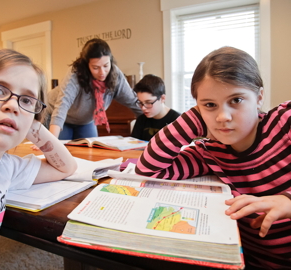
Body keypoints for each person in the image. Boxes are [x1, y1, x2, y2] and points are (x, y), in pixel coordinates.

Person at [135, 46, 291, 269]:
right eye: (210, 105)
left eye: (236, 100)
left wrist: (288, 200)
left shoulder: (285, 123)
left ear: (259, 98)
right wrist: (194, 119)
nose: (222, 117)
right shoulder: (208, 152)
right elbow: (148, 170)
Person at [0, 48, 77, 269]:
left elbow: (66, 167)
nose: (12, 105)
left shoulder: (6, 168)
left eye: (26, 100)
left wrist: (31, 123)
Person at [47, 38, 142, 140]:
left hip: (86, 121)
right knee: (59, 151)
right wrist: (51, 141)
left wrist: (155, 123)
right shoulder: (75, 74)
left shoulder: (115, 75)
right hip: (60, 117)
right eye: (96, 68)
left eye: (106, 65)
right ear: (86, 65)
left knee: (91, 152)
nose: (102, 72)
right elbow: (62, 105)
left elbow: (133, 102)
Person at [131, 74, 180, 141]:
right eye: (140, 102)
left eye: (148, 102)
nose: (143, 108)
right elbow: (133, 145)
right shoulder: (141, 120)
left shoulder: (177, 121)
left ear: (162, 98)